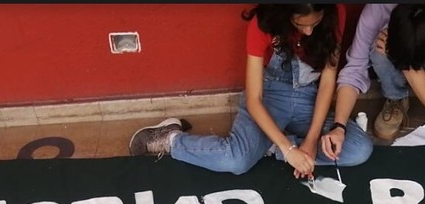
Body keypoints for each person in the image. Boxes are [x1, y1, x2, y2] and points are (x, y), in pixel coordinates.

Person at [129, 4, 373, 177]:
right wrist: (289, 150)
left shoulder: (334, 12)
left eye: (315, 23)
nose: (308, 31)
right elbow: (254, 98)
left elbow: (328, 80)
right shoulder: (262, 23)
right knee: (236, 160)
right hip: (270, 95)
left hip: (310, 96)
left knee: (359, 149)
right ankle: (172, 139)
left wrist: (310, 142)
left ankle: (267, 145)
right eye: (301, 24)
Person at [321, 4, 425, 161]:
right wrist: (339, 126)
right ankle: (396, 98)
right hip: (406, 50)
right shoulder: (379, 8)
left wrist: (404, 62)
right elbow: (354, 70)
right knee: (378, 47)